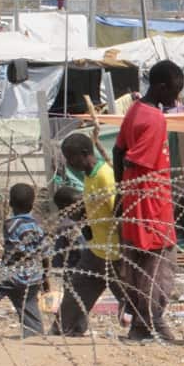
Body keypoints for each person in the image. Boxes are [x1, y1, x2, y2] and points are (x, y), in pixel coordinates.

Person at [112, 61, 183, 342]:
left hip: (134, 200)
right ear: (160, 87)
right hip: (152, 203)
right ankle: (154, 322)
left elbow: (118, 152)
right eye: (174, 92)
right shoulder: (155, 118)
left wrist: (122, 191)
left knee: (138, 265)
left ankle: (141, 325)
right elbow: (134, 158)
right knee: (160, 266)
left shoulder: (135, 109)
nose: (176, 99)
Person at [56, 133, 128, 337]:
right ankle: (67, 327)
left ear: (85, 154)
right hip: (96, 249)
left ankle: (144, 329)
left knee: (129, 297)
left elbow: (119, 214)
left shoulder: (105, 176)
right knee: (76, 291)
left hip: (115, 252)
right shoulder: (89, 177)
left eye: (71, 158)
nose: (69, 163)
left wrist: (125, 252)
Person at [0, 184, 49, 338]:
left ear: (10, 203)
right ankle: (34, 334)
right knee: (29, 307)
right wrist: (45, 279)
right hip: (32, 277)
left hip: (10, 276)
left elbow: (10, 251)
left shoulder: (10, 225)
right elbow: (44, 254)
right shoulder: (38, 226)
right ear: (32, 204)